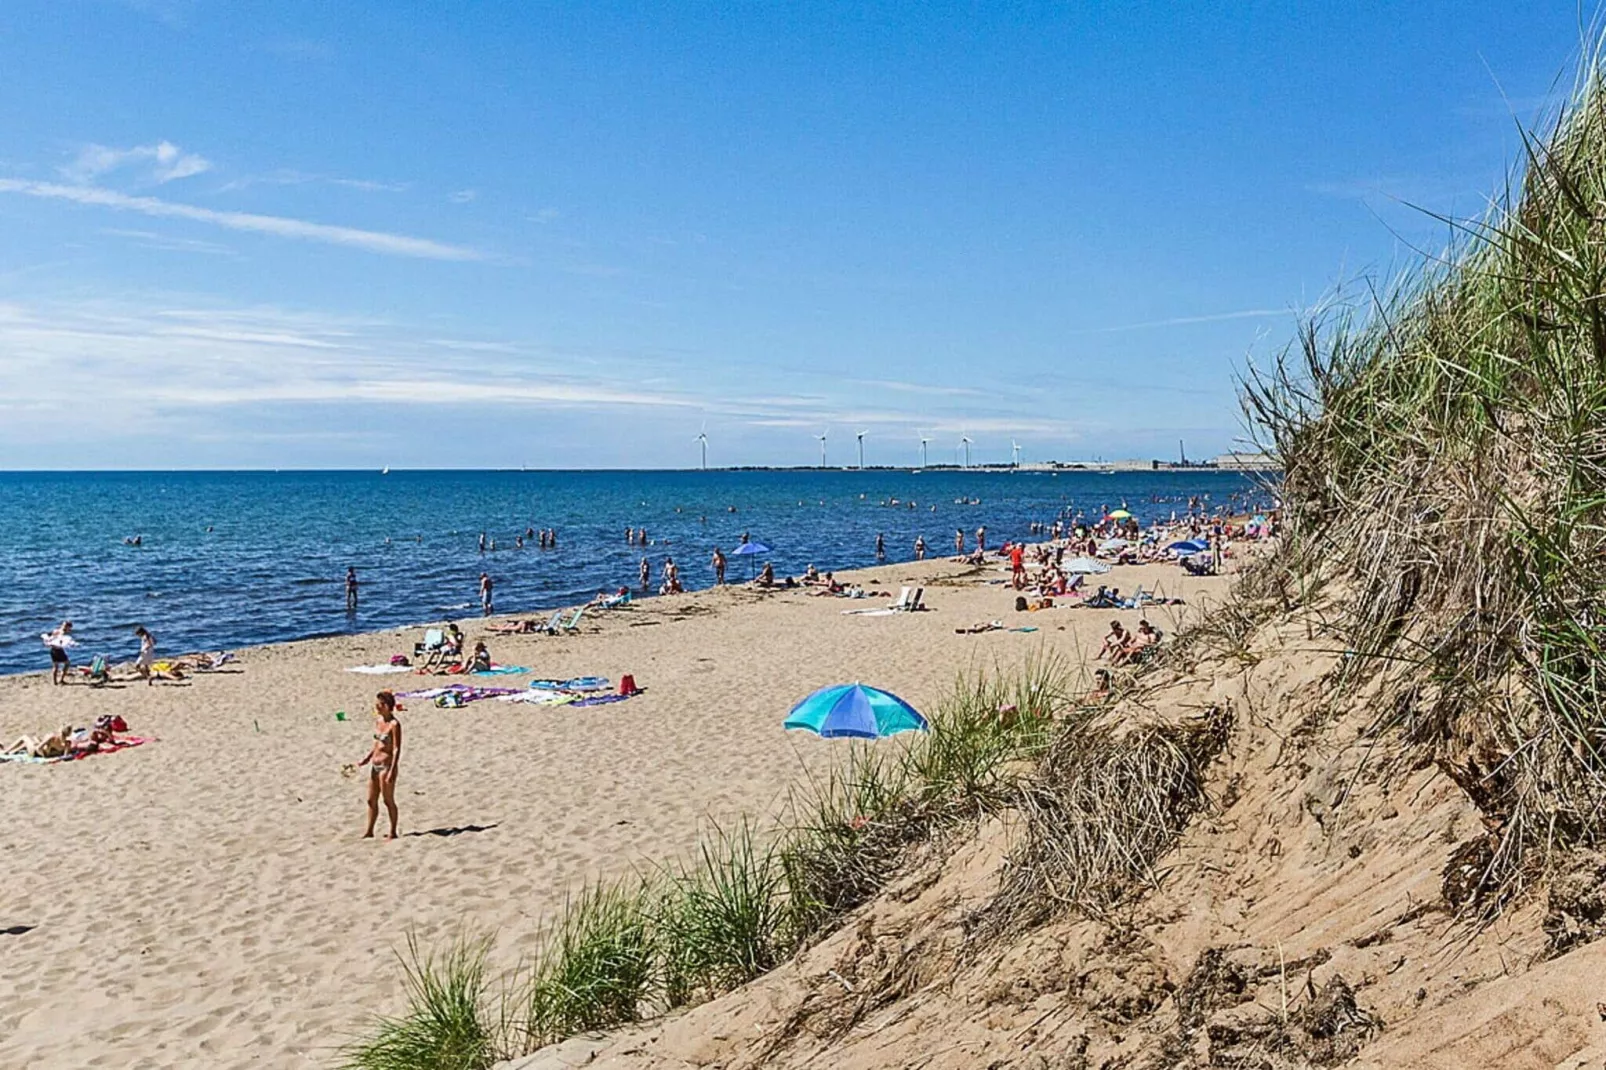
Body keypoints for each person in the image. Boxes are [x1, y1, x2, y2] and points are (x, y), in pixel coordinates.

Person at [359, 691, 402, 839]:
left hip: (386, 766)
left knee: (387, 800)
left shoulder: (394, 725)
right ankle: (369, 830)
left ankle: (393, 831)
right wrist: (367, 758)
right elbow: (377, 744)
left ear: (387, 706)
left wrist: (392, 770)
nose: (377, 706)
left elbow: (396, 749)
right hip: (375, 765)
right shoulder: (378, 721)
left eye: (380, 704)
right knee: (371, 799)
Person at [43, 621, 76, 685]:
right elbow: (61, 642)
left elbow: (49, 638)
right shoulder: (62, 633)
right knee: (67, 663)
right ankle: (61, 680)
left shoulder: (55, 630)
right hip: (58, 650)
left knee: (55, 666)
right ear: (68, 627)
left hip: (52, 649)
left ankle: (55, 682)